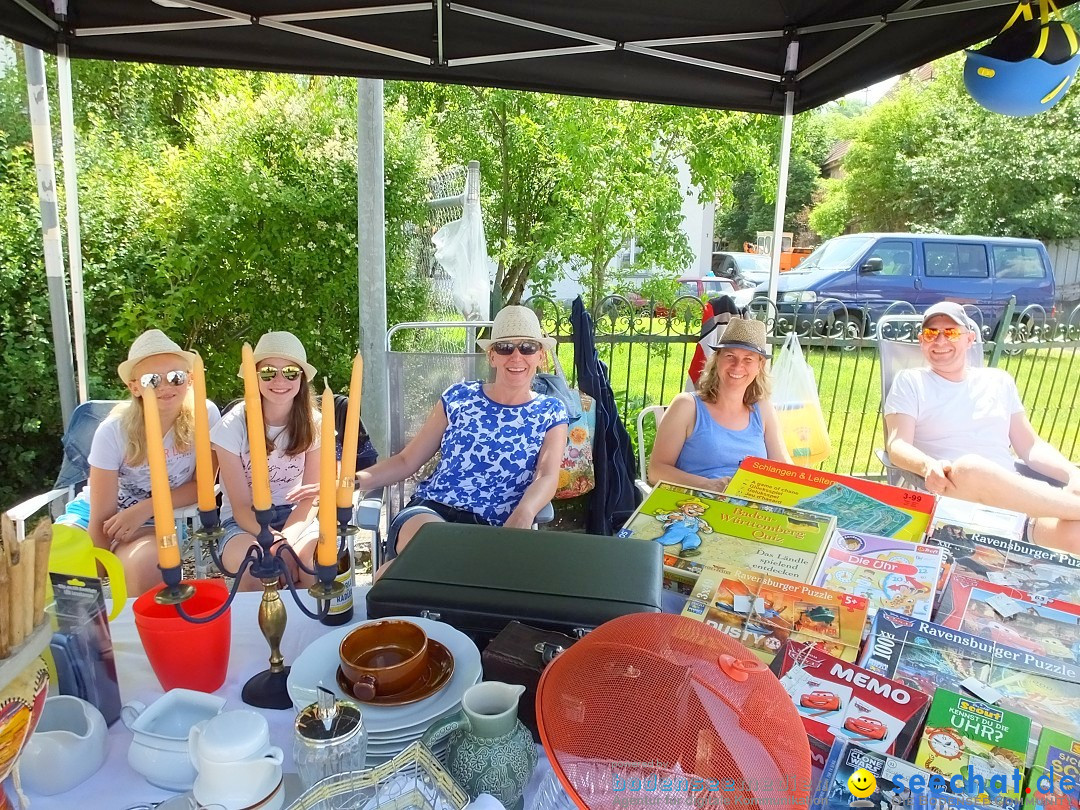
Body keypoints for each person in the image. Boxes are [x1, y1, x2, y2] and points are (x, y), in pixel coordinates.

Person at [316, 306, 569, 562]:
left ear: (540, 356)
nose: (516, 356)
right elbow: (407, 461)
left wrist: (524, 513)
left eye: (527, 347)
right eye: (504, 347)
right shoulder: (459, 396)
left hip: (494, 523)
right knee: (435, 550)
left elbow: (546, 475)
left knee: (408, 572)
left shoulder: (549, 411)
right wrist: (347, 482)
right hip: (431, 511)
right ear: (491, 356)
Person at [884, 301, 1080, 553]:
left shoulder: (998, 381)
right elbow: (897, 444)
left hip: (1021, 512)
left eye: (951, 332)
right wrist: (928, 466)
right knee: (970, 468)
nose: (940, 341)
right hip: (959, 503)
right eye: (931, 333)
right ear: (922, 340)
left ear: (970, 339)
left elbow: (1030, 446)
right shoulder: (911, 382)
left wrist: (1072, 473)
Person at [85, 330, 221, 596]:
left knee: (147, 562)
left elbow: (203, 486)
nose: (165, 386)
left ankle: (149, 632)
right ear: (134, 387)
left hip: (154, 523)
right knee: (59, 560)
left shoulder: (205, 415)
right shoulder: (113, 431)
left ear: (190, 380)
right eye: (152, 380)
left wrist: (145, 509)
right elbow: (100, 516)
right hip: (103, 517)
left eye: (176, 377)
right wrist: (95, 574)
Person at [211, 331, 322, 590]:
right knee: (255, 565)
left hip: (296, 516)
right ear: (255, 378)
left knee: (313, 563)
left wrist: (287, 540)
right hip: (242, 522)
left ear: (302, 379)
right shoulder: (231, 427)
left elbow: (310, 498)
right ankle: (259, 631)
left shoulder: (315, 424)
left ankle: (315, 629)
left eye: (291, 372)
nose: (280, 380)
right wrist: (273, 542)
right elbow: (239, 507)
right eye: (269, 372)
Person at [649, 317, 791, 492]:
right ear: (717, 359)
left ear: (759, 366)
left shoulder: (763, 409)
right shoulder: (687, 406)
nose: (737, 366)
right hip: (696, 506)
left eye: (748, 359)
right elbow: (656, 471)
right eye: (730, 356)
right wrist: (708, 485)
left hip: (750, 511)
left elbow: (784, 470)